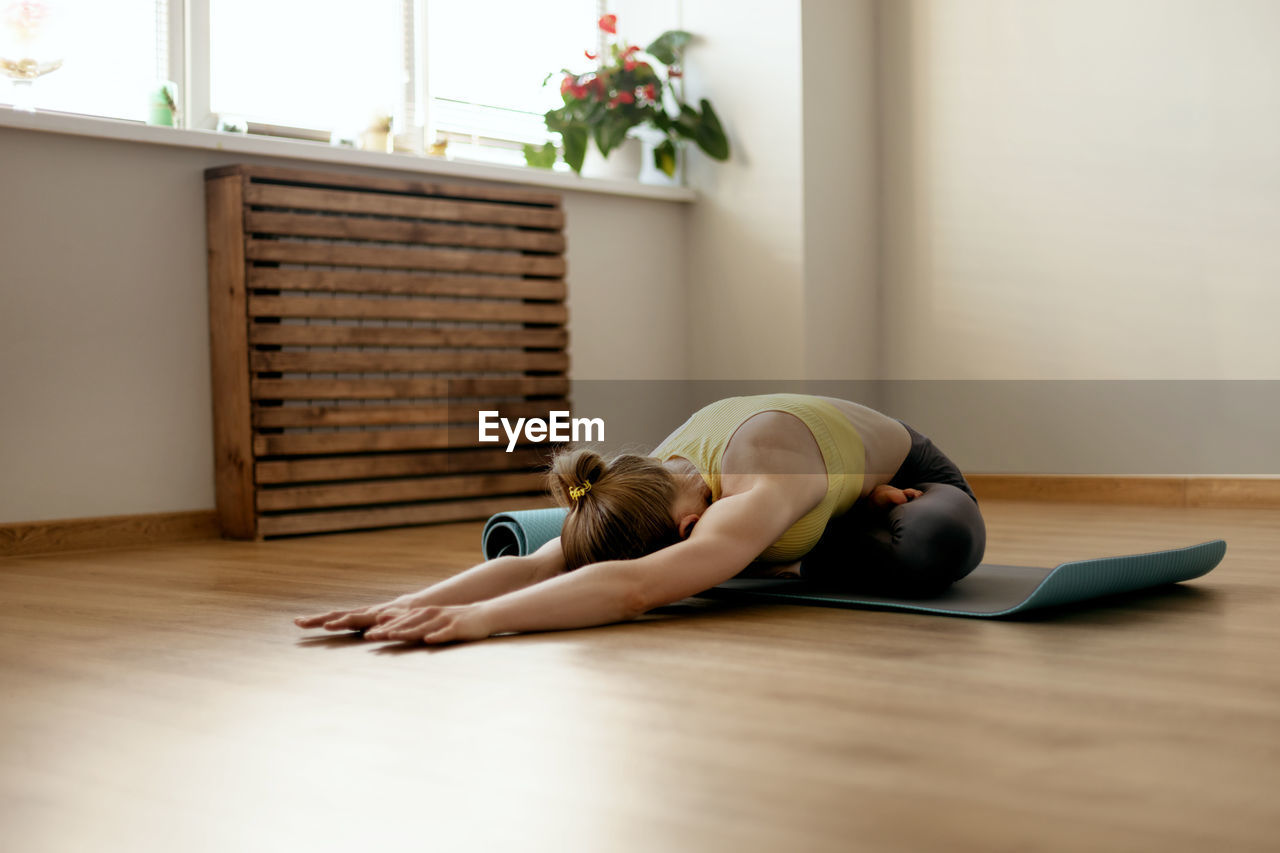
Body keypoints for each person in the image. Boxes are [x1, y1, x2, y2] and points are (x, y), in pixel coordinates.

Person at [295, 394, 986, 645]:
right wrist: (402, 604)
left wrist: (483, 621)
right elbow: (537, 563)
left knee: (932, 542)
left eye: (684, 539)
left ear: (684, 528)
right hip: (818, 486)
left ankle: (863, 506)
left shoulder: (755, 484)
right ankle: (844, 513)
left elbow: (634, 588)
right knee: (730, 556)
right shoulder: (645, 478)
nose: (690, 536)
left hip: (917, 475)